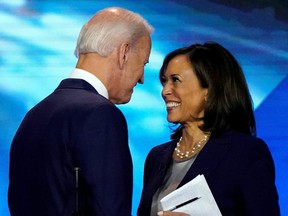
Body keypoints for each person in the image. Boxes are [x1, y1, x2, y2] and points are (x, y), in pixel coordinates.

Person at [8, 7, 153, 216]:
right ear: (123, 53)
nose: (141, 78)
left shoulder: (35, 115)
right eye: (143, 63)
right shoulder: (100, 115)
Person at [137, 42, 280, 216]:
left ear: (210, 89)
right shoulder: (156, 157)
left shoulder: (246, 153)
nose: (165, 91)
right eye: (164, 81)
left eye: (176, 80)